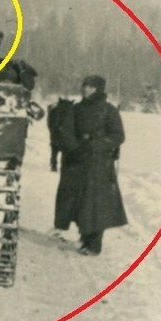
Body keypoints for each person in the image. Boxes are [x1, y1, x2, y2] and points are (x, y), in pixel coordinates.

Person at [53, 75, 128, 256]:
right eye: (85, 85)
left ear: (99, 89)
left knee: (95, 205)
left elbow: (118, 135)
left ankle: (94, 244)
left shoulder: (109, 110)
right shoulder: (75, 109)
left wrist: (96, 145)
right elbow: (66, 132)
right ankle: (84, 236)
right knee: (76, 202)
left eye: (91, 87)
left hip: (99, 164)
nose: (86, 89)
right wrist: (75, 148)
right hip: (76, 161)